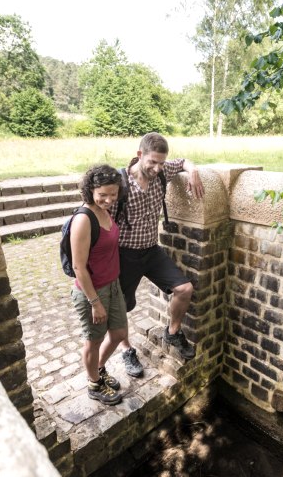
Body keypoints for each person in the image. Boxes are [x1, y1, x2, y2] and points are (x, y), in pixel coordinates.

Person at [112, 132, 206, 377]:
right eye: (152, 162)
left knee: (185, 289)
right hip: (124, 254)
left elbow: (183, 161)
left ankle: (173, 333)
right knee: (120, 307)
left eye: (161, 162)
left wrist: (193, 170)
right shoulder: (119, 183)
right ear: (139, 155)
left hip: (152, 251)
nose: (157, 168)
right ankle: (125, 349)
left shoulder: (162, 172)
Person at [70, 164, 128, 405]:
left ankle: (100, 368)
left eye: (113, 194)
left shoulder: (106, 212)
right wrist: (95, 302)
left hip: (113, 285)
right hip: (91, 291)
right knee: (93, 341)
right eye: (102, 194)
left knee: (118, 334)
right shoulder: (84, 219)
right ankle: (94, 383)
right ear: (91, 190)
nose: (108, 199)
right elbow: (78, 267)